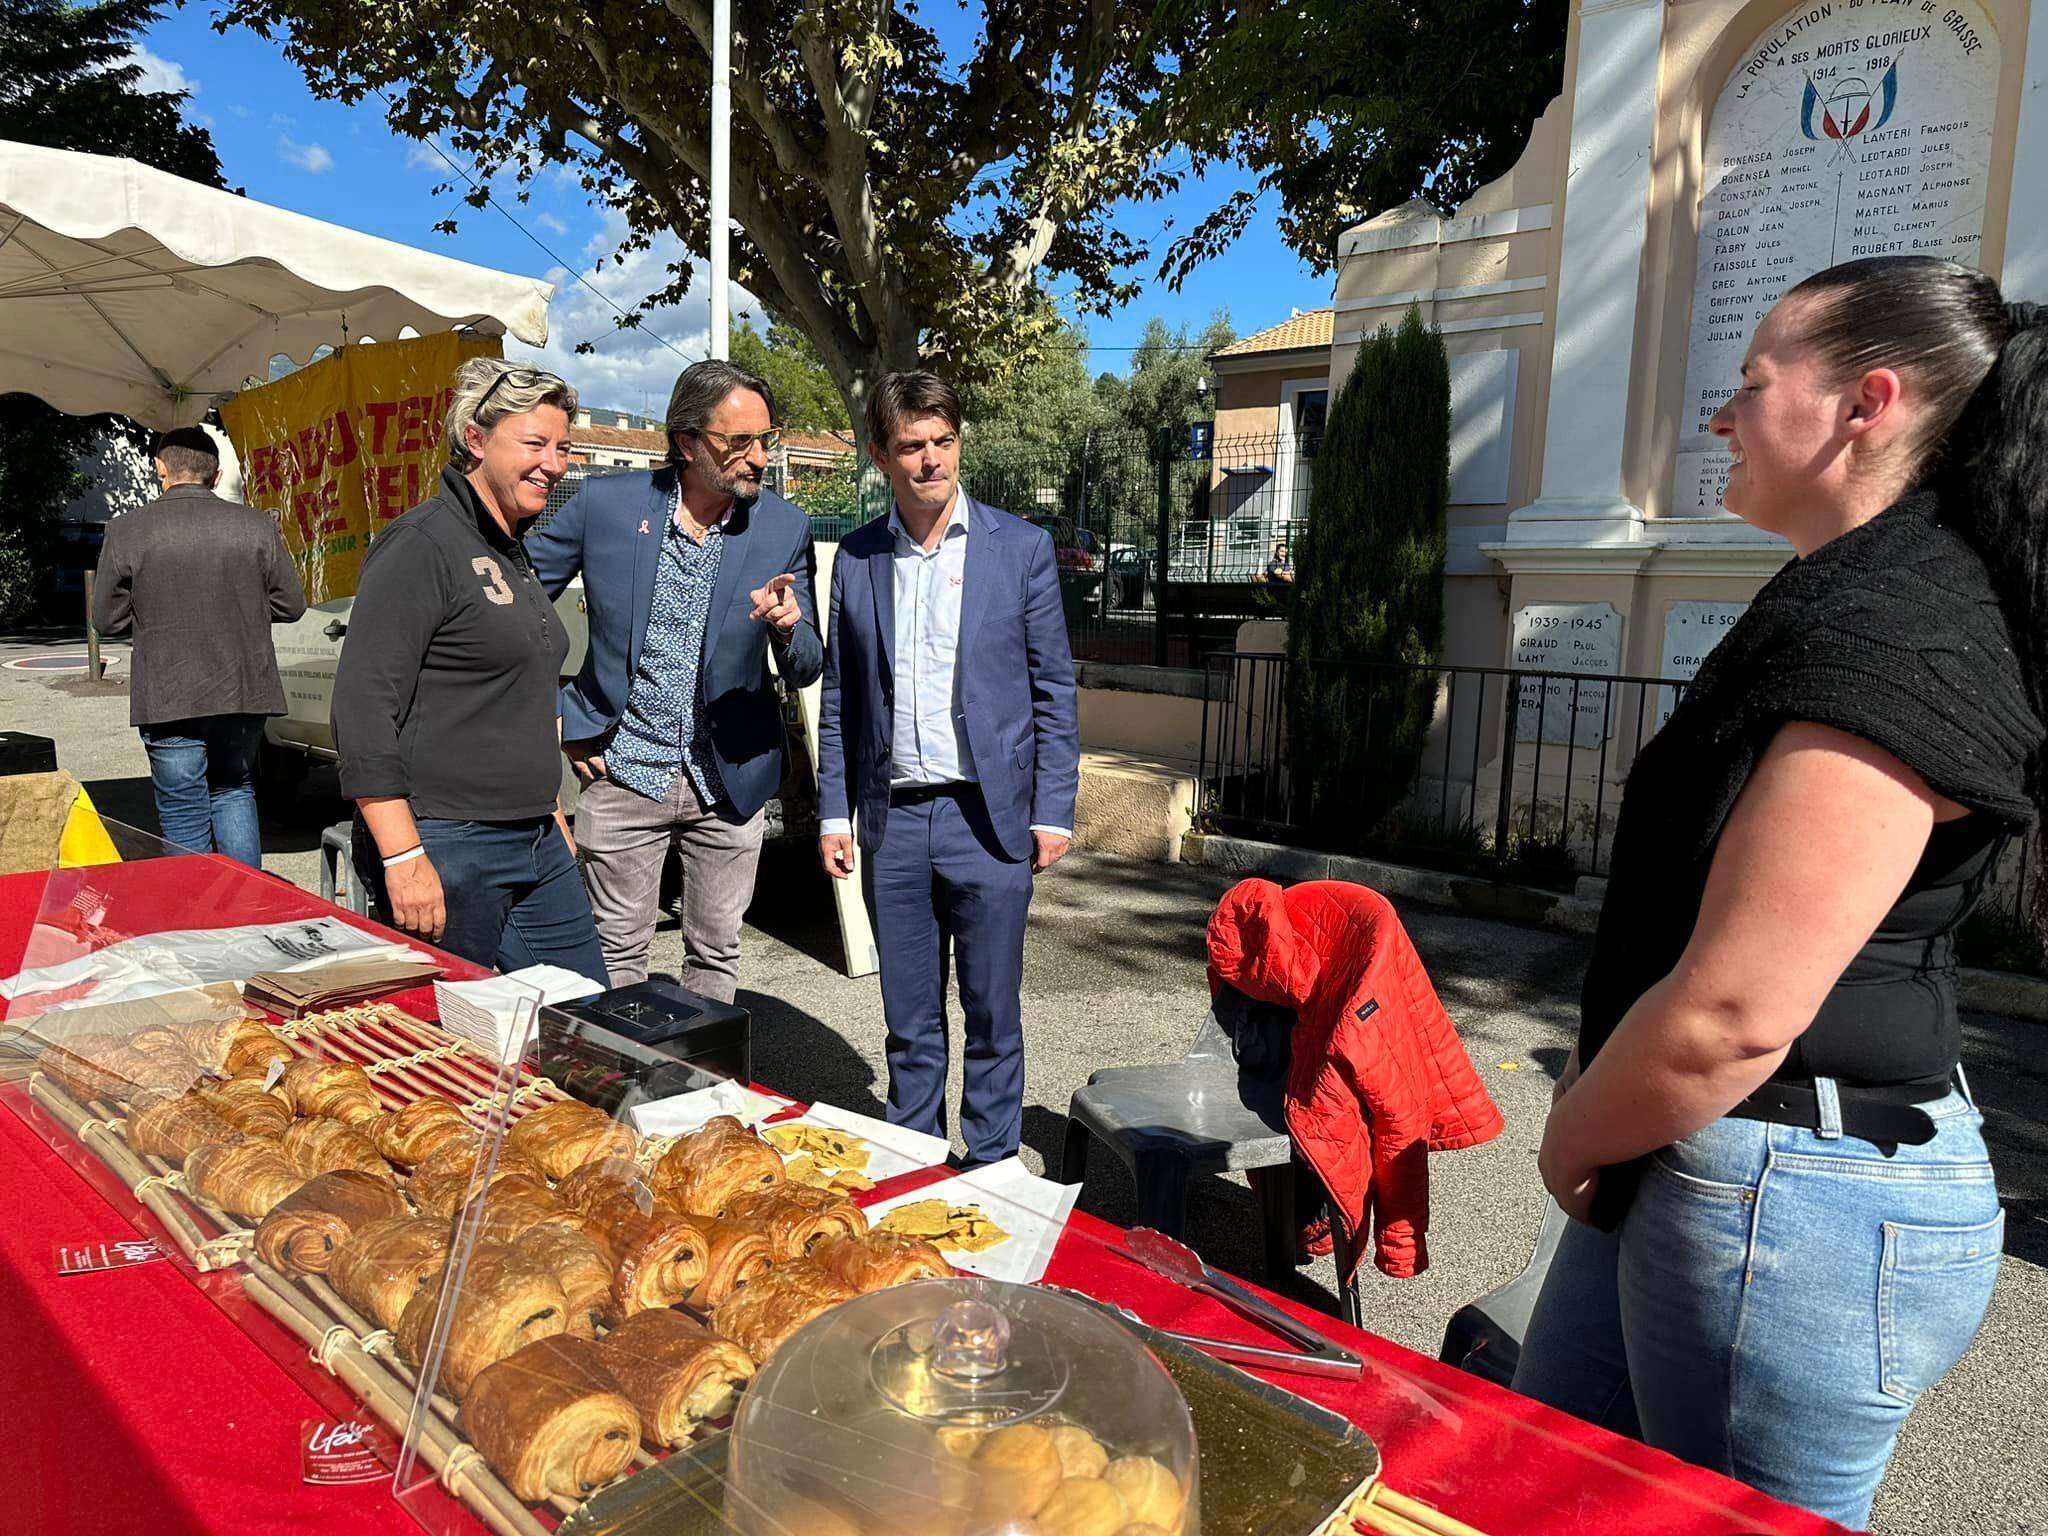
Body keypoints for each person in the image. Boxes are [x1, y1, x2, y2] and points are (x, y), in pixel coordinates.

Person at [1512, 257, 2046, 1528]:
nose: (1719, 419)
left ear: (1866, 403)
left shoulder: (1901, 628)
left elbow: (1735, 1011)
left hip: (1792, 1203)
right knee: (1535, 1491)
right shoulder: (1860, 591)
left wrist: (1571, 1134)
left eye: (1749, 384)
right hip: (1711, 1161)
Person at [817, 370, 1080, 1166]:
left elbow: (1052, 687)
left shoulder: (1020, 548)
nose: (931, 459)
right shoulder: (858, 557)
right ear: (881, 456)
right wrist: (833, 811)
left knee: (993, 1012)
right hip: (892, 821)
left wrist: (1053, 810)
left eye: (944, 441)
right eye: (911, 446)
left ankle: (992, 1165)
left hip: (988, 820)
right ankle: (914, 1161)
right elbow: (841, 695)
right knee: (909, 1019)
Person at [527, 359, 822, 1002]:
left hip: (732, 779)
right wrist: (558, 713)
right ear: (687, 442)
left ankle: (700, 1068)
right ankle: (616, 1069)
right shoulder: (606, 506)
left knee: (717, 954)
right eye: (739, 441)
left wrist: (787, 627)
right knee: (613, 953)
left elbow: (807, 662)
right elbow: (510, 608)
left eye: (766, 438)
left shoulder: (783, 526)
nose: (760, 457)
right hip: (622, 769)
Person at [332, 359, 606, 985]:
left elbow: (519, 693)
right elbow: (363, 706)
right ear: (475, 439)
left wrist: (550, 812)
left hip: (535, 837)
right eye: (534, 444)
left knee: (585, 1018)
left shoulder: (511, 547)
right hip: (447, 841)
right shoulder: (423, 543)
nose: (554, 464)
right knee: (452, 1031)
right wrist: (403, 855)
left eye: (563, 448)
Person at [90, 426, 306, 868]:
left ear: (160, 469)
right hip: (244, 689)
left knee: (182, 809)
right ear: (216, 474)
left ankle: (194, 905)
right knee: (235, 791)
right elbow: (292, 604)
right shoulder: (257, 526)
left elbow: (107, 620)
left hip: (169, 693)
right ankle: (248, 900)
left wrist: (155, 619)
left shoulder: (127, 530)